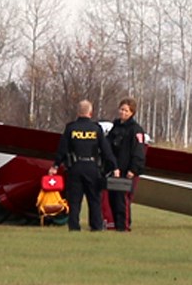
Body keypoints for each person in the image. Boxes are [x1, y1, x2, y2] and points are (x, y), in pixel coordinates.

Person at [49, 100, 120, 231]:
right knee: (94, 199)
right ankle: (96, 226)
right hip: (92, 168)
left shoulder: (71, 128)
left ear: (78, 112)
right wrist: (115, 166)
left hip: (75, 167)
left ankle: (74, 226)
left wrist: (55, 166)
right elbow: (106, 150)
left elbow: (62, 149)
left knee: (74, 200)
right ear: (91, 113)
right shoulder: (96, 129)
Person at [103, 98, 146, 232]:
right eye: (121, 109)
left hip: (127, 171)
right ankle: (116, 224)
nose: (123, 113)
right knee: (112, 199)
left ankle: (124, 227)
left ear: (132, 112)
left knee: (122, 201)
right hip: (113, 170)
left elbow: (139, 151)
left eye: (126, 111)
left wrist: (133, 169)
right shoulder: (115, 127)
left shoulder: (136, 130)